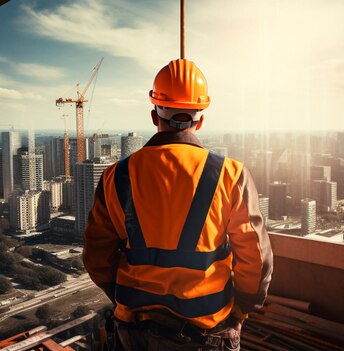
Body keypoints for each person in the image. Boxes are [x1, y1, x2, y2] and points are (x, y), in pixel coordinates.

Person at [83, 58, 273, 350]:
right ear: (201, 119)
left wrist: (122, 297)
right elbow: (255, 258)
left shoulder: (116, 176)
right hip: (207, 332)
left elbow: (97, 256)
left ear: (153, 115)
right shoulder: (230, 175)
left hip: (135, 330)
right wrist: (242, 310)